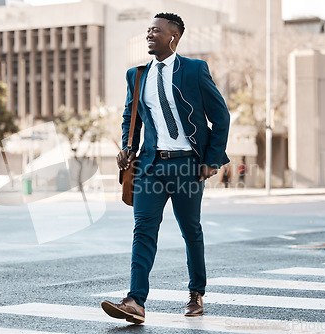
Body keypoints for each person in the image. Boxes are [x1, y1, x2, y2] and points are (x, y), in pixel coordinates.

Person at [101, 13, 230, 324]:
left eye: (156, 31)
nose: (149, 34)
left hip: (188, 166)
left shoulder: (195, 70)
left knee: (191, 231)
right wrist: (127, 148)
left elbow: (220, 117)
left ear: (173, 37)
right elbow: (130, 117)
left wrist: (211, 160)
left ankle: (195, 293)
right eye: (148, 30)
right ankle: (135, 301)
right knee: (143, 231)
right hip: (150, 166)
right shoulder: (137, 75)